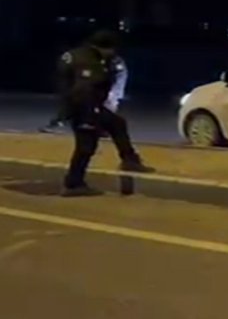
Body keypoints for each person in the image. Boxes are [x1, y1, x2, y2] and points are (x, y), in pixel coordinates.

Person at [58, 30, 153, 196]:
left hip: (82, 105)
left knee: (116, 124)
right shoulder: (89, 61)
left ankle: (129, 159)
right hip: (84, 108)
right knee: (86, 146)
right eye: (111, 49)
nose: (113, 53)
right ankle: (73, 184)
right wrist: (90, 115)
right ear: (104, 47)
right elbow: (84, 89)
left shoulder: (79, 55)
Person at [42, 53, 127, 133]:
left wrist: (111, 92)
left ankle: (103, 128)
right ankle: (59, 122)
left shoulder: (114, 60)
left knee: (108, 105)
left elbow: (116, 78)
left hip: (113, 86)